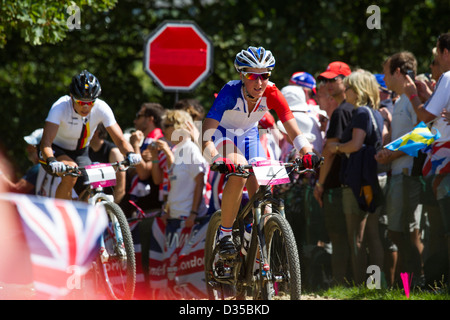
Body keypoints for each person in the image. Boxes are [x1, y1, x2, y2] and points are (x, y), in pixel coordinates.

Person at [201, 46, 319, 260]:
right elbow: (205, 137)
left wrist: (308, 152)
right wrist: (215, 158)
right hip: (223, 135)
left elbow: (293, 130)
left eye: (264, 76)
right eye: (252, 76)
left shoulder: (273, 92)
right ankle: (225, 235)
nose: (259, 82)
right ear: (242, 75)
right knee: (239, 170)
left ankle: (253, 248)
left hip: (249, 136)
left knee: (263, 190)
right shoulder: (229, 92)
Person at [39, 70, 142, 201]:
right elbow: (46, 142)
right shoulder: (60, 106)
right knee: (71, 173)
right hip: (54, 149)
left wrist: (130, 153)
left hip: (81, 152)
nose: (86, 107)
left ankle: (85, 215)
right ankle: (61, 214)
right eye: (81, 102)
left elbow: (120, 139)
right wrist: (52, 160)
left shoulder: (102, 107)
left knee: (94, 186)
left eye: (91, 102)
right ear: (71, 97)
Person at [325, 70, 385, 285]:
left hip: (358, 181)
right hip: (373, 178)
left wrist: (336, 147)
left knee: (356, 237)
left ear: (358, 90)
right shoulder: (376, 112)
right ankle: (375, 284)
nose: (346, 91)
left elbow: (356, 144)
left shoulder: (360, 113)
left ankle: (361, 285)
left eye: (349, 87)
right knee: (374, 236)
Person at [376, 52, 428, 286]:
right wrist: (387, 148)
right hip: (397, 175)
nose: (384, 79)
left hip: (408, 176)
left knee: (406, 232)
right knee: (398, 232)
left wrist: (391, 154)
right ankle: (409, 286)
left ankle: (417, 282)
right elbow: (403, 138)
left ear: (398, 72)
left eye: (386, 73)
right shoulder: (401, 100)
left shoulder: (412, 98)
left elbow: (423, 136)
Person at [404, 33, 450, 285]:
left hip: (444, 163)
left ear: (445, 53)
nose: (434, 66)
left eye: (434, 59)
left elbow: (426, 119)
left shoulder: (449, 77)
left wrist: (412, 95)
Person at [313, 61, 354, 285]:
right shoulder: (347, 109)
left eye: (332, 79)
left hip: (337, 184)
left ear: (345, 81)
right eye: (324, 80)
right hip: (345, 183)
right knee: (349, 237)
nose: (327, 84)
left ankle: (342, 284)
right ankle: (349, 284)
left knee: (340, 237)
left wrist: (319, 184)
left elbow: (329, 152)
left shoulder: (341, 112)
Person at [152, 110, 209, 228]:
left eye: (167, 126)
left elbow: (200, 181)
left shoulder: (190, 149)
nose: (163, 130)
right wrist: (168, 212)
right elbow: (175, 186)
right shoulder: (177, 149)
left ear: (179, 127)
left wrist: (193, 214)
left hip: (188, 220)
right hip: (175, 218)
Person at [121, 102, 166, 217]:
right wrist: (139, 158)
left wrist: (135, 146)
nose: (135, 121)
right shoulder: (147, 141)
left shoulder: (158, 141)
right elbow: (132, 170)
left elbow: (143, 173)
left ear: (150, 119)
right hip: (141, 204)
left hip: (150, 206)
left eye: (139, 116)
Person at [89, 123, 126, 204]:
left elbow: (120, 187)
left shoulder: (113, 152)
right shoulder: (86, 152)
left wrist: (111, 211)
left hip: (114, 205)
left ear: (95, 132)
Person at [0, 128, 42, 194]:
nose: (27, 148)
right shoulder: (44, 168)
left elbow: (16, 190)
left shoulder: (38, 169)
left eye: (32, 146)